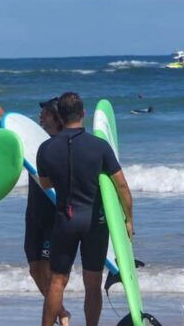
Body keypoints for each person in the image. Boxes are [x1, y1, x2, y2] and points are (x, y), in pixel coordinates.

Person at [37, 92, 133, 326]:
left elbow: (46, 184)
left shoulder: (46, 149)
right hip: (94, 222)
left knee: (57, 281)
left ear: (60, 115)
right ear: (83, 113)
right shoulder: (99, 147)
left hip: (65, 220)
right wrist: (128, 220)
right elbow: (121, 186)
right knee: (92, 283)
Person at [0, 82, 70, 326]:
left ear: (56, 117)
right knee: (34, 268)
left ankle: (57, 317)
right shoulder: (36, 141)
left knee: (56, 274)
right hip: (34, 214)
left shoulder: (65, 145)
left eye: (45, 112)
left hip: (55, 215)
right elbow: (3, 120)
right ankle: (61, 311)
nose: (40, 115)